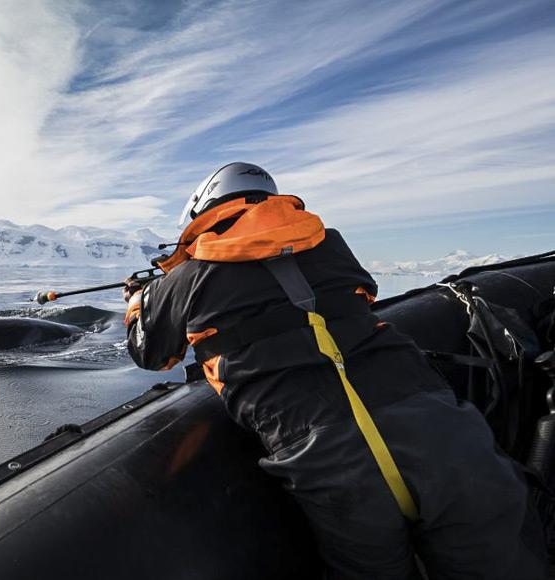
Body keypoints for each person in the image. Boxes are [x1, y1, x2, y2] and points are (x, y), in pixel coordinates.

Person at [123, 162, 547, 580]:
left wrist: (139, 302)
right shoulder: (332, 244)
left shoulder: (180, 282)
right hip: (439, 425)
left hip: (326, 456)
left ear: (202, 211)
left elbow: (150, 353)